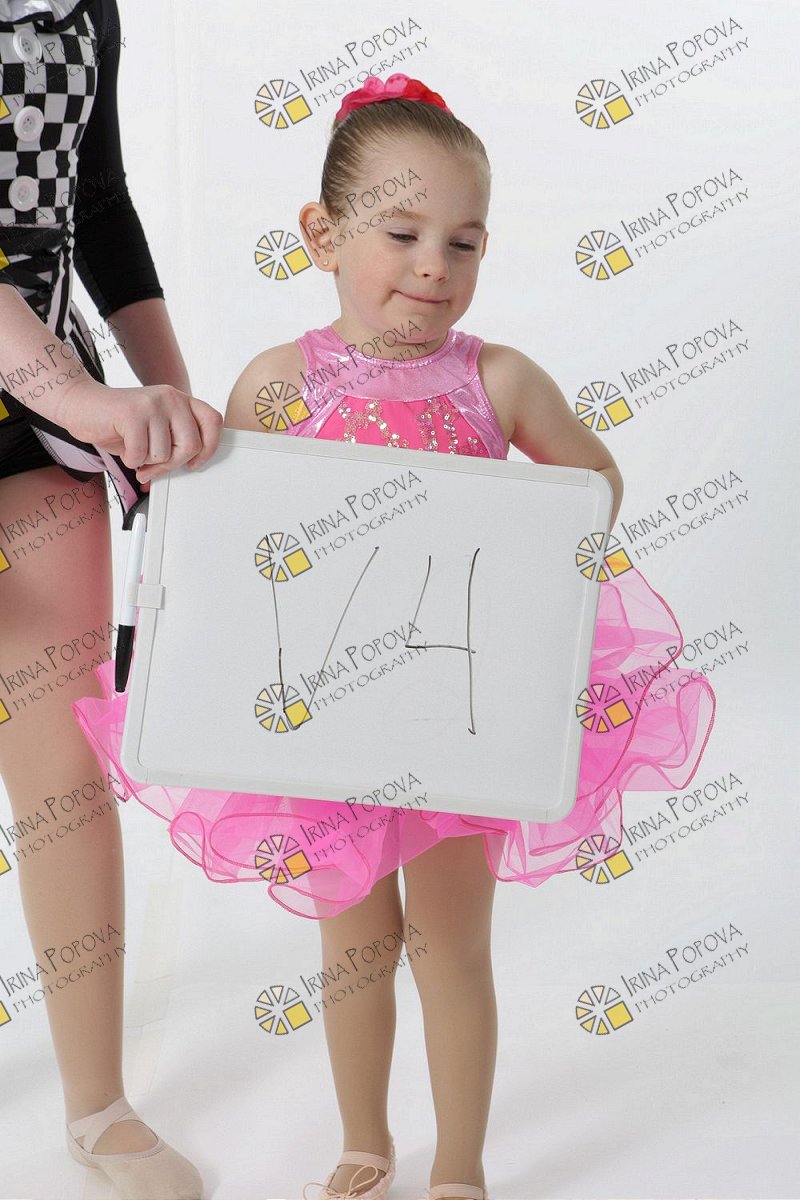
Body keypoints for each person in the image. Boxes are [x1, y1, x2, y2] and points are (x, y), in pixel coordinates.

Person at [71, 74, 717, 1200]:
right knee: (352, 950)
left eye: (462, 243)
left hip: (456, 716)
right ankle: (362, 1144)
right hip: (329, 717)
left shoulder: (498, 380)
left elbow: (592, 484)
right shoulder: (279, 384)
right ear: (323, 236)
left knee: (451, 947)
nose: (433, 267)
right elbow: (233, 536)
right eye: (403, 234)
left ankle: (459, 1164)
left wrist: (522, 542)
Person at [0, 1, 222, 1197]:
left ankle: (97, 1103)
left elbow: (100, 204)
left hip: (33, 416)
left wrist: (173, 409)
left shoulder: (88, 6)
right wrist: (90, 404)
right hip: (52, 395)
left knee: (63, 763)